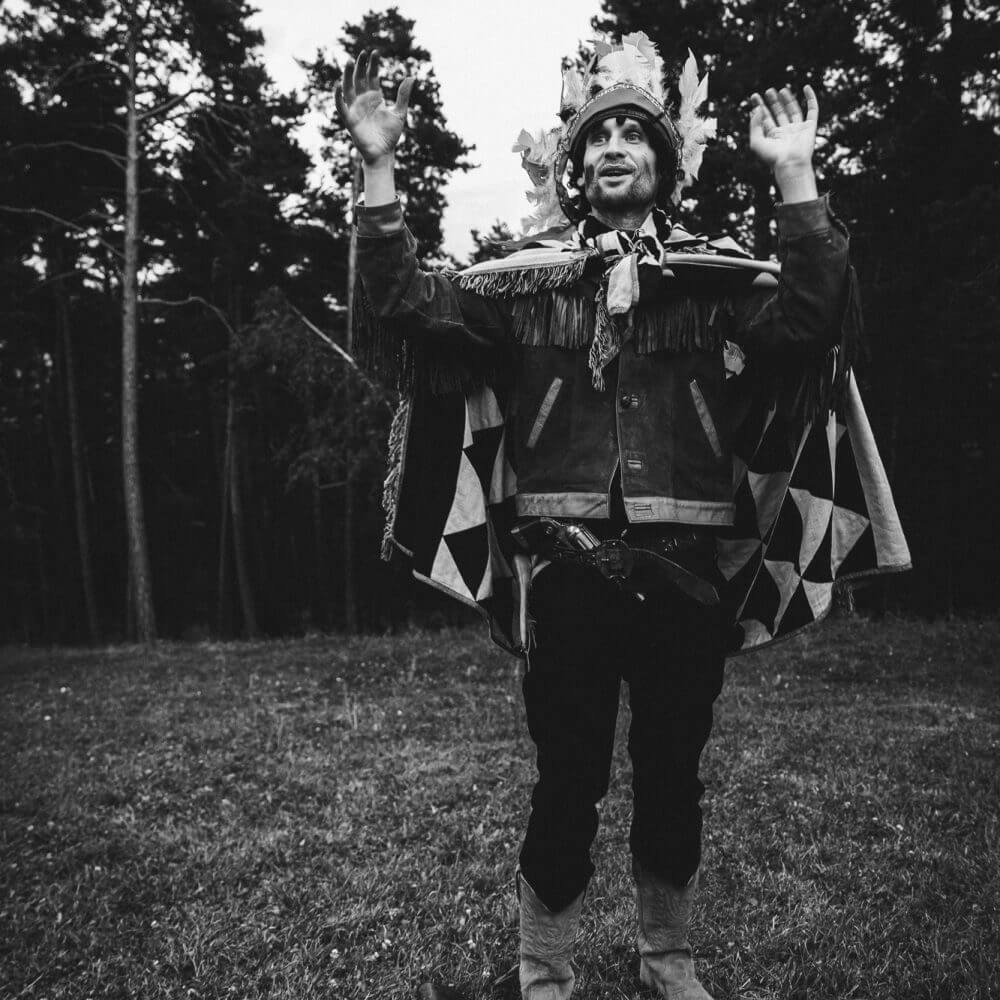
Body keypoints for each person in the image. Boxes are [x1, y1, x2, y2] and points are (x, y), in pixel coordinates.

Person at [336, 33, 909, 1000]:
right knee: (568, 777)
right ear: (575, 166)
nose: (613, 147)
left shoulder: (713, 284)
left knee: (674, 773)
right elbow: (404, 306)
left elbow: (813, 319)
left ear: (664, 165)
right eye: (597, 136)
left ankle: (668, 963)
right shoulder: (523, 286)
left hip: (686, 575)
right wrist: (381, 168)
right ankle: (543, 974)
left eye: (634, 135)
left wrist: (797, 179)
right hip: (566, 576)